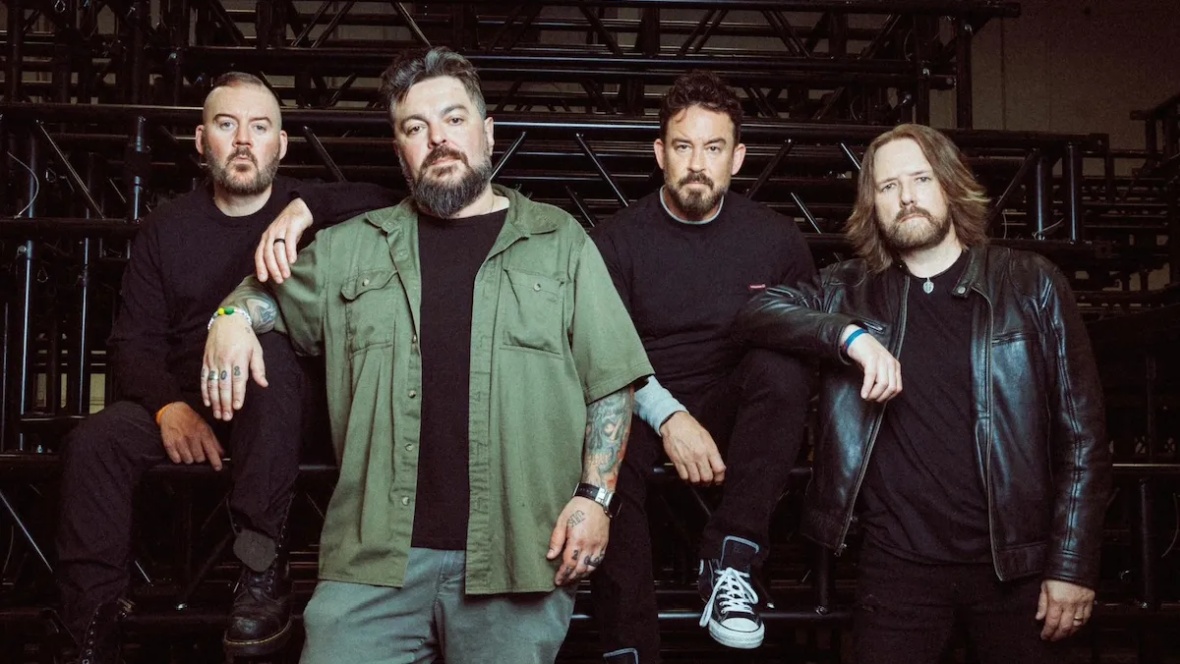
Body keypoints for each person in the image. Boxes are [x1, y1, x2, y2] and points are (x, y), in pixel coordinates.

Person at [202, 47, 652, 664]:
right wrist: (228, 319)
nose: (438, 138)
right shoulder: (352, 248)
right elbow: (262, 297)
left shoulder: (559, 241)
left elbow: (611, 380)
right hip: (371, 567)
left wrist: (595, 498)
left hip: (517, 562)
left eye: (454, 119)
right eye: (416, 128)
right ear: (400, 152)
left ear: (487, 132)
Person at [735, 123, 1112, 663]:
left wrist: (1072, 566)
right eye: (888, 186)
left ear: (950, 185)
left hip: (1016, 568)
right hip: (896, 568)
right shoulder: (848, 289)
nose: (906, 197)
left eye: (921, 179)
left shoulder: (1031, 283)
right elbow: (756, 313)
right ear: (873, 205)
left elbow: (1083, 438)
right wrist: (850, 337)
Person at [55, 72, 398, 664]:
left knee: (272, 358)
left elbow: (396, 198)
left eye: (259, 127)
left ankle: (261, 574)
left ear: (280, 145)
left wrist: (306, 207)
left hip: (283, 406)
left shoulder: (307, 210)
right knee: (94, 443)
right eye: (226, 124)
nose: (243, 140)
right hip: (191, 400)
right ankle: (90, 630)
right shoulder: (166, 226)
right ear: (201, 140)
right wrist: (169, 408)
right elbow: (133, 343)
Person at [590, 71, 815, 662]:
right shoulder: (615, 240)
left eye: (713, 148)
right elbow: (602, 353)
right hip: (642, 402)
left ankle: (732, 562)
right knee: (604, 437)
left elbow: (806, 333)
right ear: (659, 153)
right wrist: (670, 418)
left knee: (783, 365)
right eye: (683, 146)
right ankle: (628, 649)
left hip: (735, 410)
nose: (697, 164)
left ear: (736, 158)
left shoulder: (776, 239)